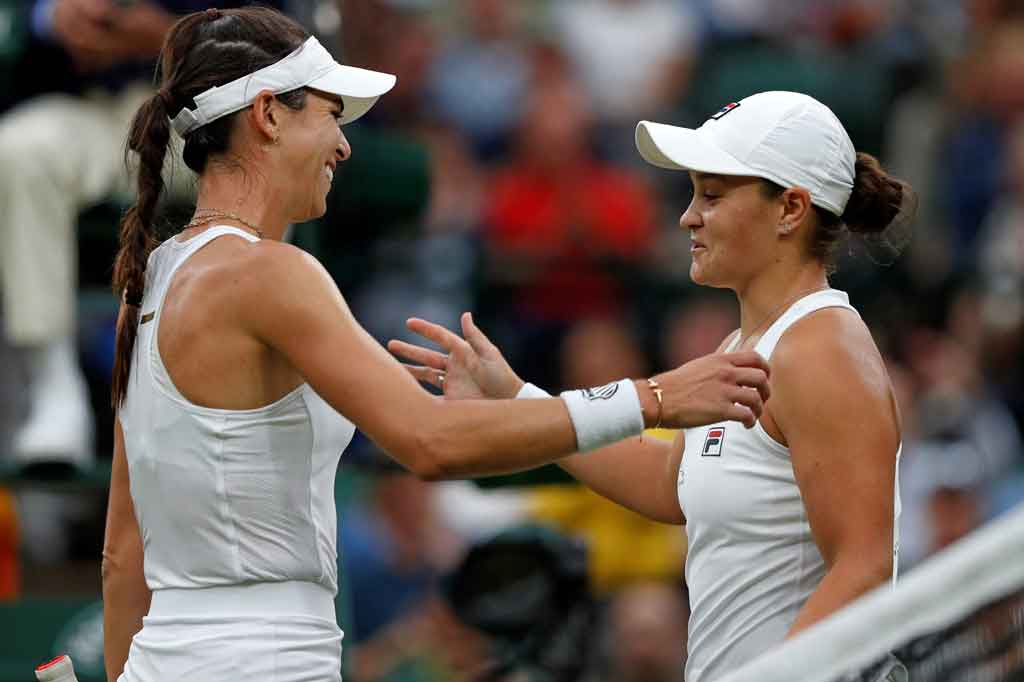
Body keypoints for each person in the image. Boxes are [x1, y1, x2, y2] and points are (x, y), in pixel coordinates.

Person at [99, 8, 773, 681]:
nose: (344, 145)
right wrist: (651, 398)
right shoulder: (270, 272)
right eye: (331, 115)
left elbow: (123, 554)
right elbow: (428, 440)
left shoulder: (149, 281)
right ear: (269, 115)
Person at [390, 91, 912, 681]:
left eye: (712, 196)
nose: (688, 216)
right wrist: (516, 397)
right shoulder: (746, 347)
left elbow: (863, 565)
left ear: (790, 209)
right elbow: (670, 484)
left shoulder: (823, 351)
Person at [2, 0, 282, 469]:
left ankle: (255, 376)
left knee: (267, 147)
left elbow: (284, 35)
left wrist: (180, 36)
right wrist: (50, 17)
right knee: (17, 154)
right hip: (80, 107)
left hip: (202, 113)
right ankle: (51, 388)